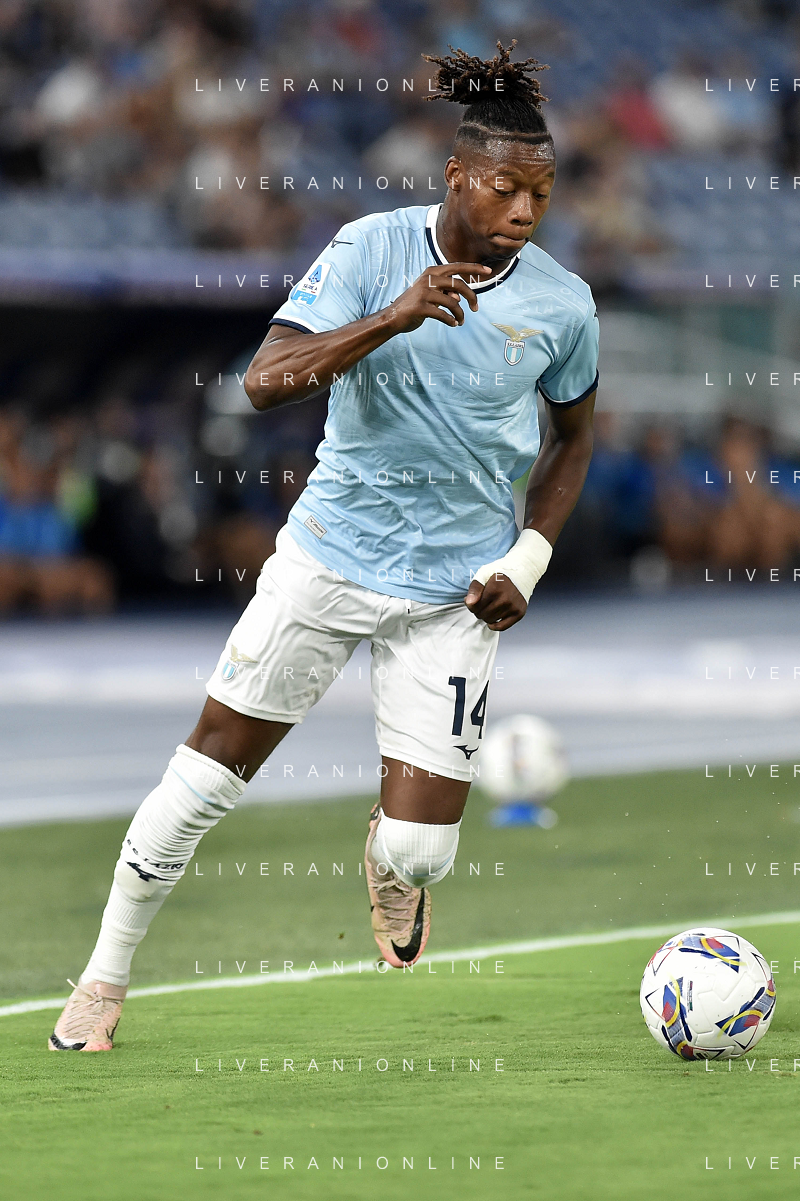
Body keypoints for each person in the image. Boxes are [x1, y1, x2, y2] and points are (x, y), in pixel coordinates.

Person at [49, 42, 598, 1052]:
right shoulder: (366, 250)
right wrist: (392, 317)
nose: (526, 211)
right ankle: (100, 980)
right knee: (205, 777)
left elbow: (572, 439)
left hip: (456, 592)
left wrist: (527, 558)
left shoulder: (562, 304)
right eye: (506, 189)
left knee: (424, 853)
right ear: (456, 176)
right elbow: (263, 381)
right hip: (328, 560)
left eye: (542, 193)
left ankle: (393, 859)